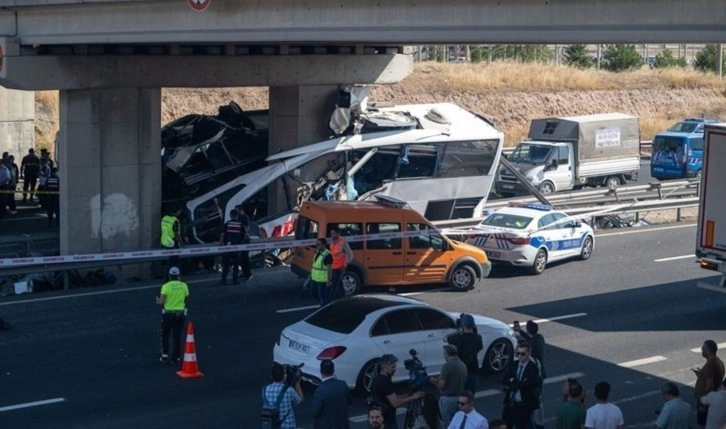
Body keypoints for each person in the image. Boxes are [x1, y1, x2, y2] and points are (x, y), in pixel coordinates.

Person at [371, 354, 425, 429]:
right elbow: (395, 403)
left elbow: (387, 397)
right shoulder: (385, 382)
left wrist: (406, 396)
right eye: (393, 367)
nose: (395, 369)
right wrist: (413, 396)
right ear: (385, 367)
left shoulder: (377, 378)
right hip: (387, 421)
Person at [502, 342, 542, 429]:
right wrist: (516, 382)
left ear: (529, 354)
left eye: (523, 354)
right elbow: (505, 379)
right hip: (511, 402)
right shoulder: (514, 364)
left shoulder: (533, 368)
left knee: (521, 425)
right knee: (506, 423)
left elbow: (525, 385)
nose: (519, 356)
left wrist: (512, 380)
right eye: (518, 353)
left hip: (524, 404)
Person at [155, 266, 189, 364]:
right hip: (180, 314)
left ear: (170, 276)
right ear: (178, 276)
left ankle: (165, 355)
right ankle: (176, 358)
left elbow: (161, 302)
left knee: (165, 334)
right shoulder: (184, 286)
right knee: (177, 336)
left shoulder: (166, 286)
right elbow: (186, 298)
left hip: (168, 314)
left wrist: (157, 300)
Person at [430, 344, 468, 427]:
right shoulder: (462, 365)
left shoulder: (447, 366)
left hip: (448, 399)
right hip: (460, 398)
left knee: (448, 424)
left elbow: (441, 386)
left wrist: (433, 381)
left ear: (447, 354)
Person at [446, 314, 483, 394]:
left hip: (459, 371)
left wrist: (458, 331)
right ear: (473, 325)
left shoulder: (455, 338)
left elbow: (445, 338)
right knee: (469, 396)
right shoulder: (478, 338)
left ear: (462, 325)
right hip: (473, 371)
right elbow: (480, 347)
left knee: (458, 396)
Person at [693, 339, 725, 429]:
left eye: (703, 349)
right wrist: (701, 375)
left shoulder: (710, 365)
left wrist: (704, 403)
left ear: (708, 350)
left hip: (706, 399)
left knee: (703, 424)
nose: (702, 350)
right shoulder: (719, 362)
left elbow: (709, 386)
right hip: (715, 398)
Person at [262, 362, 304, 429]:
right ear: (284, 376)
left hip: (271, 426)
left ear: (271, 376)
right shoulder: (289, 390)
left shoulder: (264, 389)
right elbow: (300, 401)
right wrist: (297, 383)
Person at [311, 359, 351, 429]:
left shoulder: (320, 390)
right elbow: (349, 402)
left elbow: (315, 412)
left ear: (321, 372)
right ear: (333, 371)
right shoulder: (343, 384)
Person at [219, 209, 243, 285]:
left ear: (230, 215)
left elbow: (222, 235)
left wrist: (221, 243)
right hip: (237, 247)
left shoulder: (227, 224)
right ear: (237, 215)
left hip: (228, 247)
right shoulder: (240, 224)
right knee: (236, 264)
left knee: (226, 264)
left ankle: (223, 280)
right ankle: (234, 280)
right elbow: (245, 235)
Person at [328, 227, 352, 301]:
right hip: (334, 266)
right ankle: (343, 299)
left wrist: (345, 264)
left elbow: (350, 254)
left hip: (340, 267)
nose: (331, 235)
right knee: (339, 283)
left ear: (338, 233)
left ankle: (330, 301)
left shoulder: (342, 242)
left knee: (334, 284)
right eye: (331, 233)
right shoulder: (332, 241)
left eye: (333, 233)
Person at [310, 238, 333, 306]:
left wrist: (329, 280)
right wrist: (311, 274)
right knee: (313, 293)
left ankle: (323, 308)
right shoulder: (318, 252)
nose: (316, 246)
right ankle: (323, 304)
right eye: (316, 244)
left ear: (323, 245)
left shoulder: (328, 255)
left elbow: (329, 269)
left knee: (322, 296)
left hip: (322, 280)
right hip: (314, 278)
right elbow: (315, 265)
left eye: (318, 244)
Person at [161, 206, 184, 273]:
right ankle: (172, 277)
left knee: (170, 262)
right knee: (174, 262)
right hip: (173, 244)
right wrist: (182, 244)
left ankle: (167, 277)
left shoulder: (164, 218)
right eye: (179, 211)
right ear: (176, 211)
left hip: (165, 242)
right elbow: (176, 234)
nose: (180, 212)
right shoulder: (175, 221)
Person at [236, 205, 253, 281]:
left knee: (245, 257)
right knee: (242, 258)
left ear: (240, 210)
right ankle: (244, 272)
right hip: (241, 239)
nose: (236, 212)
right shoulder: (239, 218)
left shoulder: (245, 218)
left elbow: (246, 229)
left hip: (245, 240)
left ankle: (248, 274)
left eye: (237, 210)